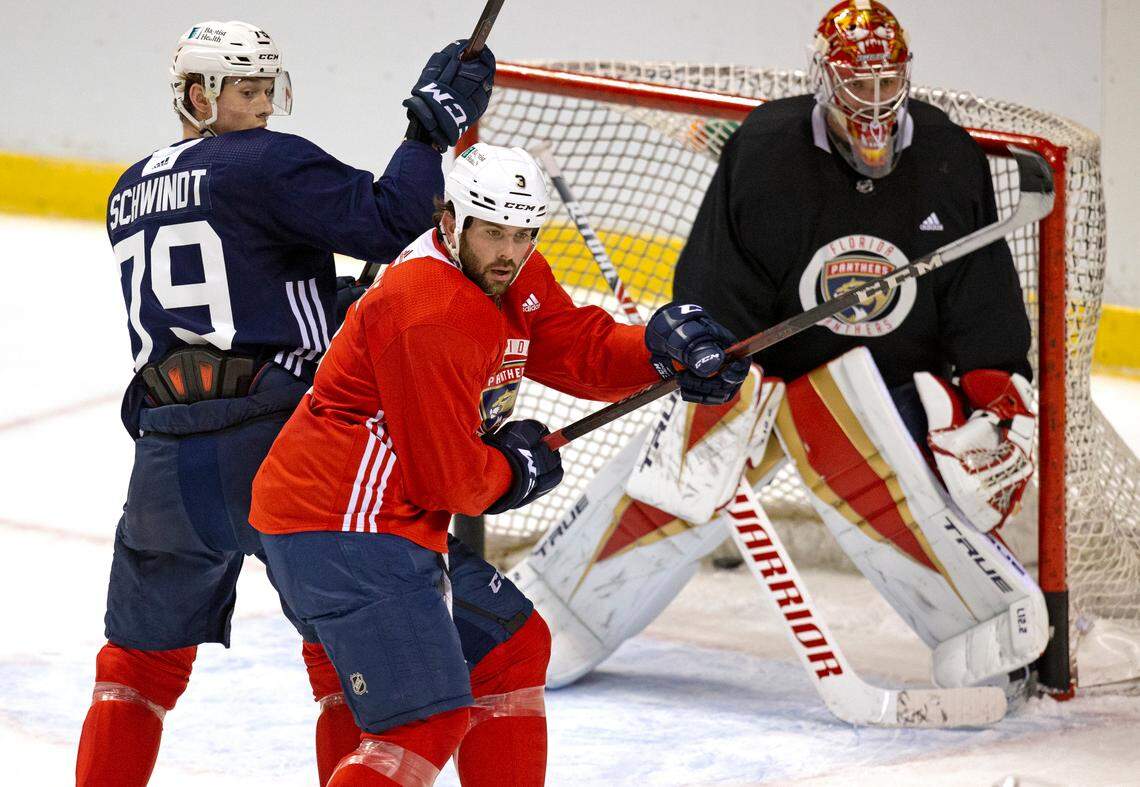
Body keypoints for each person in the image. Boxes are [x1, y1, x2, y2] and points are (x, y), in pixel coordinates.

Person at [513, 0, 1046, 694]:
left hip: (890, 386)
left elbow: (979, 291)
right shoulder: (766, 149)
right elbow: (717, 278)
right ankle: (551, 613)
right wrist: (711, 356)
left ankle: (992, 631)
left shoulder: (946, 153)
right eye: (861, 84)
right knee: (687, 468)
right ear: (824, 81)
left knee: (928, 496)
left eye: (889, 84)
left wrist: (993, 386)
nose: (877, 103)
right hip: (765, 371)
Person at [247, 142, 749, 785]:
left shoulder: (503, 272)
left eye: (524, 234)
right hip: (344, 528)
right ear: (451, 221)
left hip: (351, 518)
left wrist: (660, 353)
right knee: (417, 724)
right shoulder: (429, 309)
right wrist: (516, 470)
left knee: (508, 652)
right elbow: (449, 479)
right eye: (494, 233)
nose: (510, 251)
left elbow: (574, 347)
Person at [76, 19, 496, 786]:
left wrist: (309, 299)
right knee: (345, 647)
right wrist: (427, 133)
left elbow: (212, 300)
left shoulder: (127, 187)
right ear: (199, 94)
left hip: (165, 457)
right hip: (277, 445)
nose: (264, 104)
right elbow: (388, 217)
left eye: (270, 87)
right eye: (246, 88)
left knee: (134, 665)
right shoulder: (264, 162)